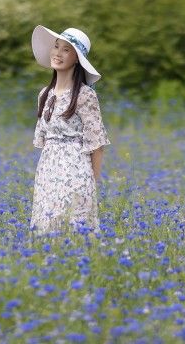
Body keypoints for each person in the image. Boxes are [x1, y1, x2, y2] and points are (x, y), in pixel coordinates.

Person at [30, 25, 111, 237]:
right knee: (46, 227)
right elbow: (44, 141)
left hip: (76, 171)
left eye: (66, 50)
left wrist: (91, 184)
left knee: (73, 227)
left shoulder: (85, 95)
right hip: (47, 171)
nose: (58, 53)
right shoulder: (44, 94)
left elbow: (97, 144)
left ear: (77, 59)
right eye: (56, 47)